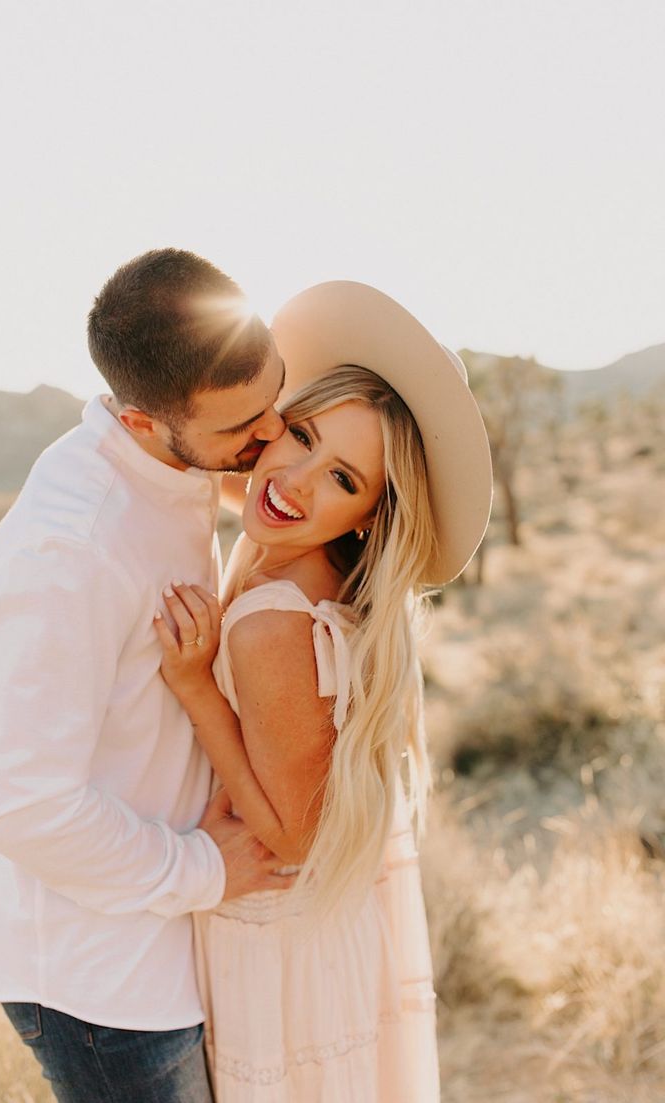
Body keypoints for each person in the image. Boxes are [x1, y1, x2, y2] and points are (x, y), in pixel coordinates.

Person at [0, 248, 295, 1103]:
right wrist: (202, 869)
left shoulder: (176, 459)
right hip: (98, 980)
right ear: (145, 421)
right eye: (242, 429)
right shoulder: (67, 551)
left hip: (161, 938)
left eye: (275, 399)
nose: (270, 437)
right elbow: (21, 804)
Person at [154, 281, 493, 1101]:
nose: (296, 480)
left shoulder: (274, 621)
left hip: (281, 944)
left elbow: (296, 838)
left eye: (341, 478)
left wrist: (197, 687)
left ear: (369, 516)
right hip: (324, 933)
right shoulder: (299, 567)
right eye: (300, 435)